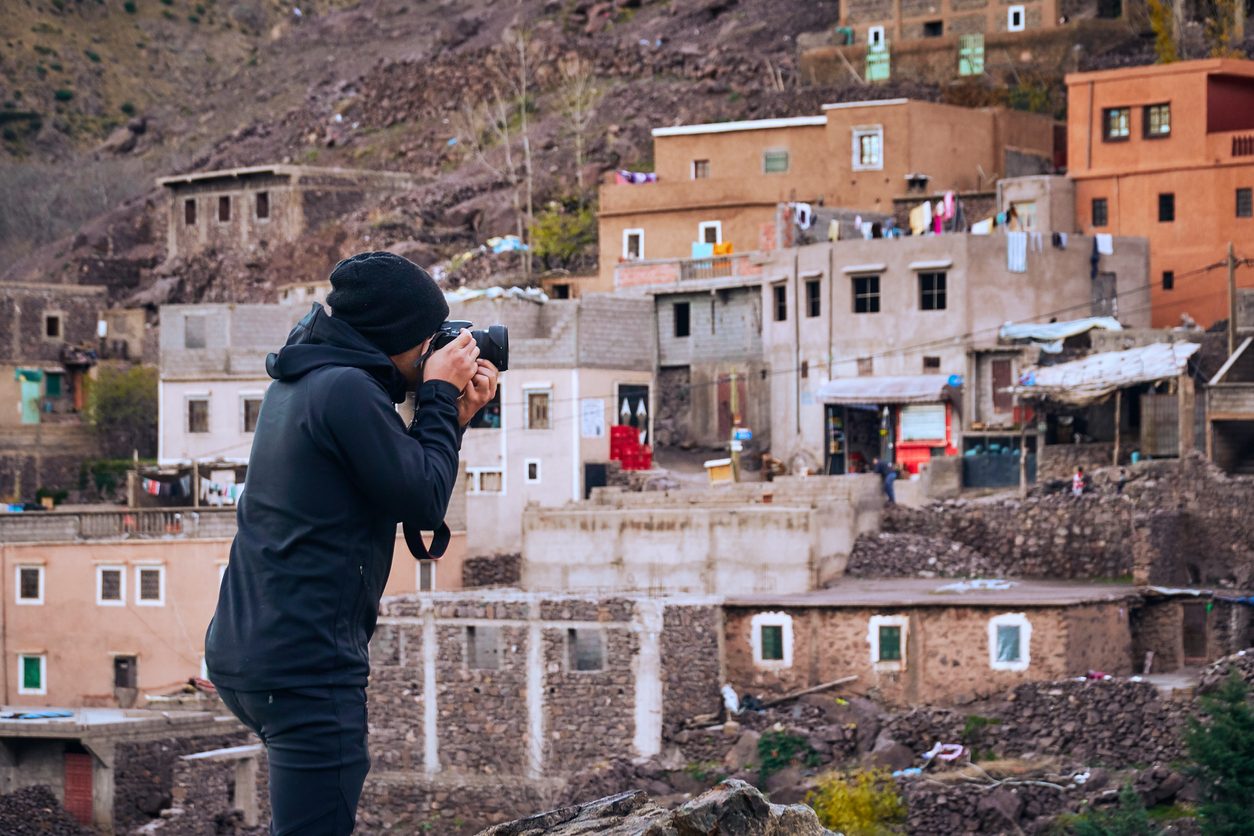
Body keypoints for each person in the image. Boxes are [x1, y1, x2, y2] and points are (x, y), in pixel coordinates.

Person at [205, 252, 498, 835]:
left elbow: (401, 480)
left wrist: (452, 417)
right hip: (306, 667)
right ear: (395, 337)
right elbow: (421, 499)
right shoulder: (346, 391)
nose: (436, 350)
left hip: (253, 651)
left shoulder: (310, 378)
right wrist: (438, 397)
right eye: (428, 339)